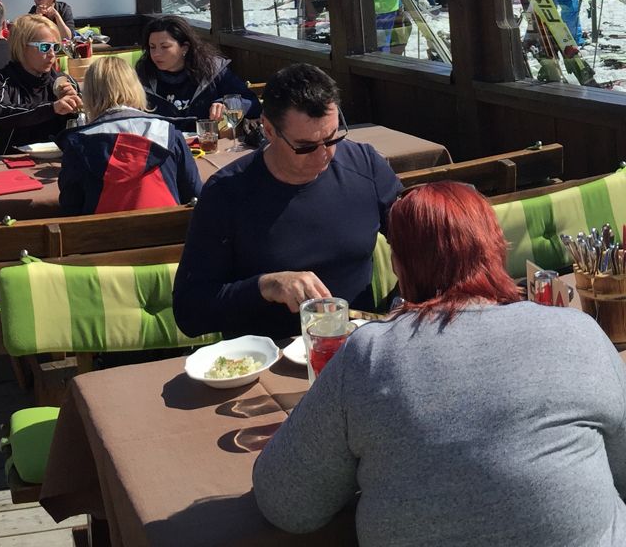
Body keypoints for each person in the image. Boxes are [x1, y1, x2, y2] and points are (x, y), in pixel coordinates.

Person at [253, 182, 626, 545]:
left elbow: (286, 503)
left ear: (399, 265)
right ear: (498, 249)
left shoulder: (368, 355)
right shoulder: (578, 333)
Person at [173, 64, 400, 340]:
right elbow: (189, 312)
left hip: (355, 347)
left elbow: (426, 247)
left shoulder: (365, 165)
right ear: (268, 130)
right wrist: (265, 286)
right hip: (266, 357)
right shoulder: (227, 193)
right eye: (305, 146)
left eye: (332, 138)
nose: (323, 156)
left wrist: (398, 307)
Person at [56, 57, 199, 215]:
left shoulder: (78, 144)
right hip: (168, 235)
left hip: (102, 237)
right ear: (136, 87)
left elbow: (70, 208)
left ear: (90, 94)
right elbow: (195, 194)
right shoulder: (168, 133)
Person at [136, 15, 254, 132]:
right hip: (162, 145)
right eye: (152, 47)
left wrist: (226, 104)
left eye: (165, 47)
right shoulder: (143, 76)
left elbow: (252, 103)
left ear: (185, 48)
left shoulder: (212, 70)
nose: (156, 54)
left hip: (207, 144)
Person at [0, 13, 81, 153]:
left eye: (56, 47)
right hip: (8, 161)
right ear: (22, 47)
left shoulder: (65, 82)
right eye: (45, 47)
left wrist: (75, 109)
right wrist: (52, 108)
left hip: (55, 162)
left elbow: (83, 124)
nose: (52, 54)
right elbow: (0, 115)